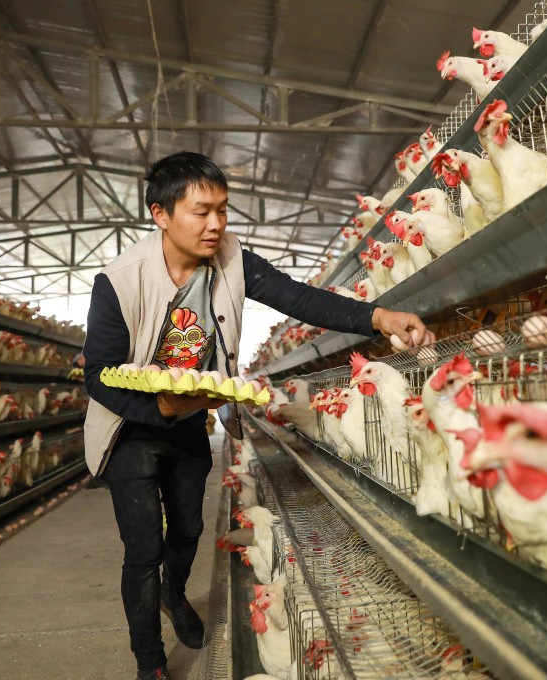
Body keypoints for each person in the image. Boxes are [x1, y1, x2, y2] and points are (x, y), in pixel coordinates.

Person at [81, 151, 434, 680]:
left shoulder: (231, 258)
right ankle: (149, 662)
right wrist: (156, 405)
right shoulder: (119, 280)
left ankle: (174, 596)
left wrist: (377, 316)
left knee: (188, 528)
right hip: (129, 426)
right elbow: (100, 374)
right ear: (160, 214)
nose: (216, 224)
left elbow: (298, 298)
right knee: (143, 546)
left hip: (188, 417)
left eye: (223, 210)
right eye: (201, 212)